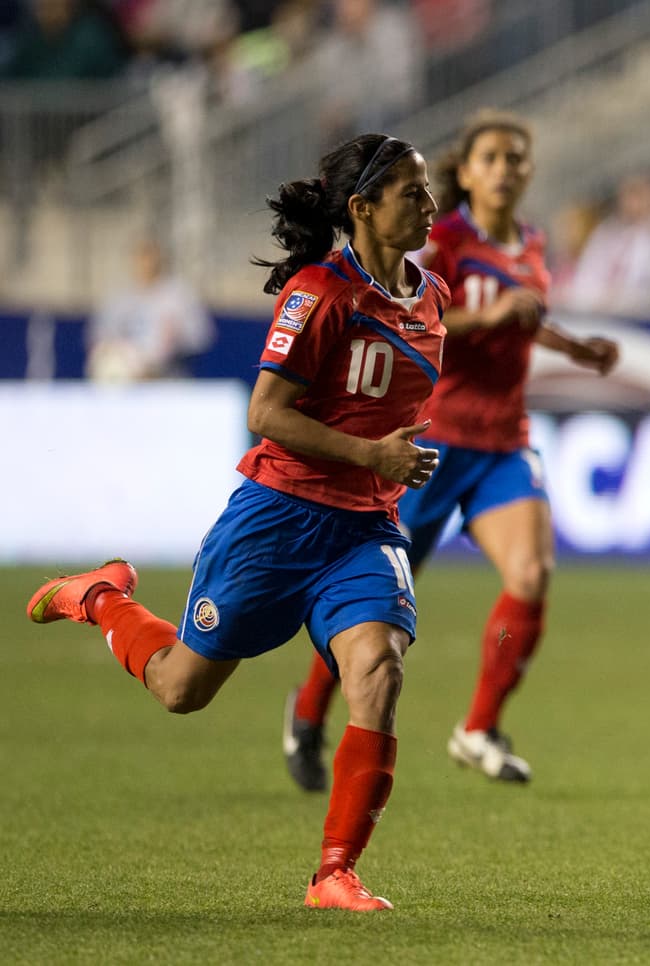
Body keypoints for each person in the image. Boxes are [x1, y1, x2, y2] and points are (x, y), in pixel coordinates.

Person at [26, 133, 447, 912]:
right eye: (413, 193)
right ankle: (100, 597)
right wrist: (372, 452)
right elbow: (265, 413)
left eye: (428, 191)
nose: (430, 206)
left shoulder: (431, 296)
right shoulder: (321, 294)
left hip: (363, 528)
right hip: (278, 520)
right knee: (182, 689)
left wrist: (385, 465)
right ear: (361, 208)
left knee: (378, 674)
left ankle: (334, 873)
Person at [283, 110, 619, 791]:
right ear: (464, 173)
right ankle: (309, 711)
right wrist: (489, 316)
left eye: (516, 158)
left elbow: (520, 318)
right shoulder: (442, 240)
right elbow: (412, 310)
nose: (505, 168)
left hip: (502, 442)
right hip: (428, 442)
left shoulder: (531, 243)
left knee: (530, 574)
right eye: (490, 157)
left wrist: (571, 347)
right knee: (371, 604)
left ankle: (478, 727)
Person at [85, 237, 216, 383]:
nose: (146, 263)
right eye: (141, 256)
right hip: (126, 380)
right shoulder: (119, 298)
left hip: (169, 377)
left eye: (150, 256)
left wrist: (178, 338)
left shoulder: (178, 295)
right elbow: (98, 337)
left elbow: (201, 336)